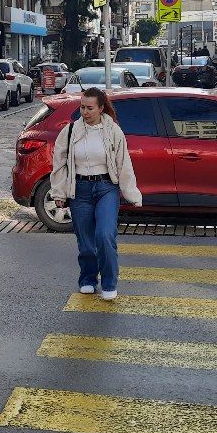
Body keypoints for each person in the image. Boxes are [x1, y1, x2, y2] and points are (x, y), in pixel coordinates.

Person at [49, 88, 142, 302]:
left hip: (106, 188)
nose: (85, 112)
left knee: (105, 235)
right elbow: (59, 164)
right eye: (82, 107)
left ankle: (109, 283)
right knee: (86, 242)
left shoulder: (113, 131)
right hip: (79, 191)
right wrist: (59, 192)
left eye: (90, 108)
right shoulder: (70, 131)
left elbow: (123, 163)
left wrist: (131, 192)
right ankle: (88, 279)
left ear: (101, 108)